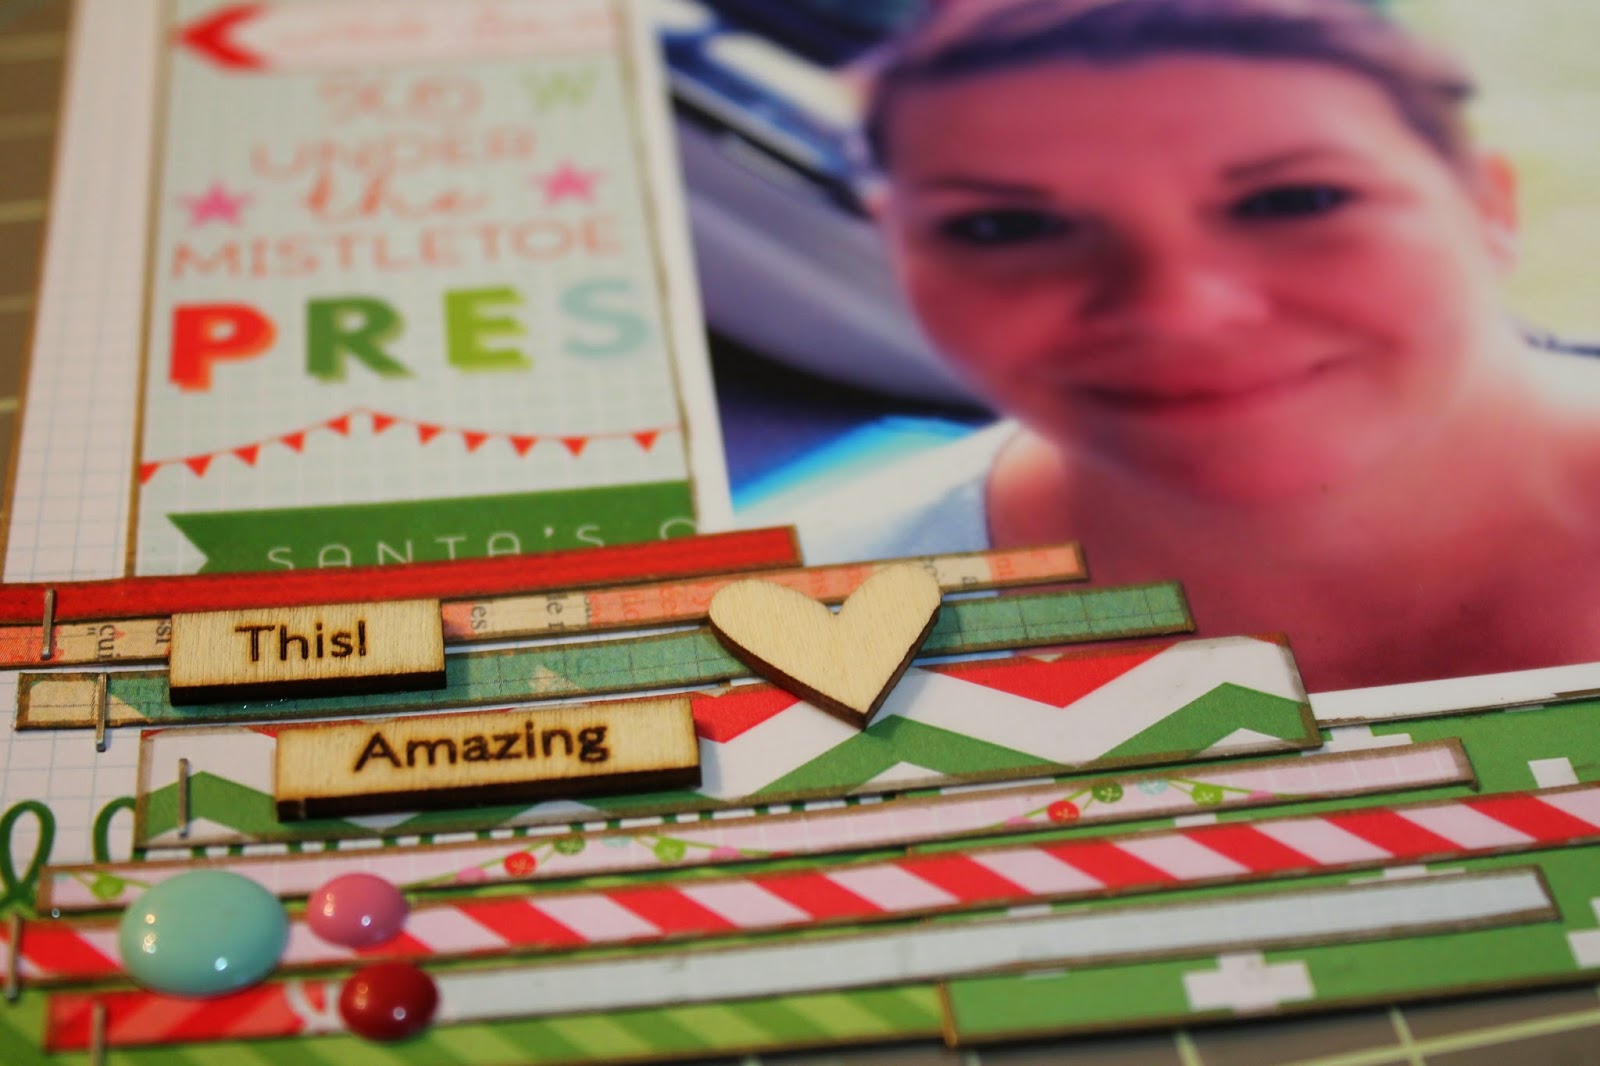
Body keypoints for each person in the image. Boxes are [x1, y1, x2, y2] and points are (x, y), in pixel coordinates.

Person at [795, 0, 1600, 691]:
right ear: (895, 247)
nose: (1175, 311)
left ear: (1489, 206)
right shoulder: (782, 646)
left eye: (1294, 200)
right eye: (1007, 227)